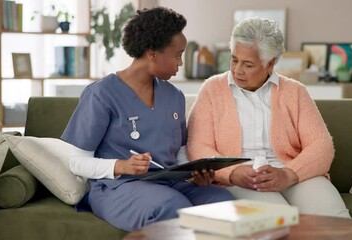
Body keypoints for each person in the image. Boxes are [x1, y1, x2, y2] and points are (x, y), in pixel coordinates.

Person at [61, 7, 234, 231]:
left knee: (222, 202)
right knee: (171, 206)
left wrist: (195, 174)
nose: (180, 64)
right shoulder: (102, 94)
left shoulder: (174, 96)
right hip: (118, 186)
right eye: (177, 55)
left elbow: (178, 154)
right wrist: (121, 165)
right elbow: (76, 162)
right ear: (152, 53)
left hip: (169, 183)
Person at [186, 17, 350, 218]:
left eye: (248, 65)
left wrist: (288, 174)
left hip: (294, 173)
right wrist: (232, 172)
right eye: (234, 59)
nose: (237, 71)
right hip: (242, 178)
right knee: (277, 220)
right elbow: (197, 146)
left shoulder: (295, 91)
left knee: (334, 218)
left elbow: (322, 145)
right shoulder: (212, 89)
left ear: (271, 63)